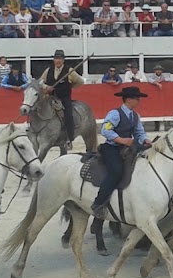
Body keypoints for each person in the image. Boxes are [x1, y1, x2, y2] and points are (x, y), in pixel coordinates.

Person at [91, 86, 152, 217]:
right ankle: (98, 203)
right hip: (112, 148)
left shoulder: (135, 115)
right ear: (129, 99)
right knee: (116, 172)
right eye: (137, 98)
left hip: (128, 147)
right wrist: (121, 140)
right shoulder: (115, 114)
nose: (139, 101)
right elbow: (105, 130)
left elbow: (139, 132)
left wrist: (146, 140)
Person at [39, 50, 84, 149]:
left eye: (60, 58)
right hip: (50, 97)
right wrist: (47, 87)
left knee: (68, 115)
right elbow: (41, 82)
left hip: (64, 97)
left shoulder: (69, 71)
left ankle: (69, 138)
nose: (57, 60)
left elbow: (80, 81)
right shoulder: (48, 70)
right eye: (56, 58)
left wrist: (70, 86)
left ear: (63, 60)